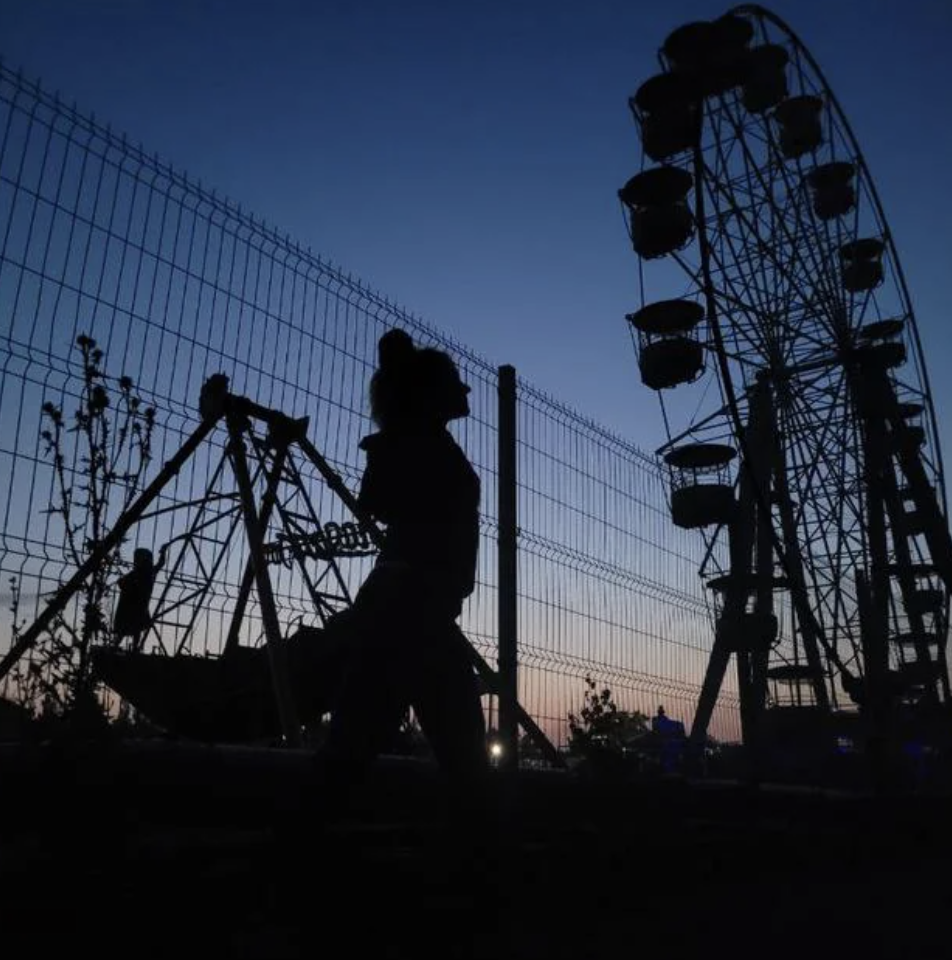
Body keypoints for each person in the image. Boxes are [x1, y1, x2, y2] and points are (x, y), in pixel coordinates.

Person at [312, 329, 489, 818]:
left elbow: (382, 500)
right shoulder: (418, 443)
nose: (467, 390)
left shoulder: (423, 441)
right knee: (457, 755)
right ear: (432, 392)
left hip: (412, 607)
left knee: (357, 748)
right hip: (411, 609)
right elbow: (383, 500)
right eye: (457, 381)